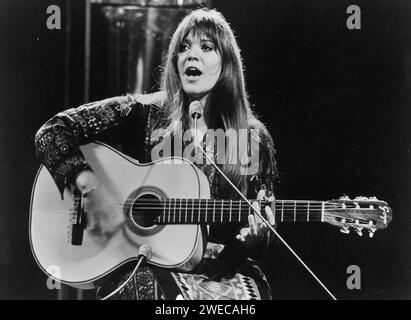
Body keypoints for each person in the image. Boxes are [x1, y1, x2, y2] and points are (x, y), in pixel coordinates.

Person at [34, 8, 278, 300]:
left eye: (207, 47)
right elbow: (52, 132)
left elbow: (258, 246)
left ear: (226, 62)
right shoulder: (143, 113)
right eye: (183, 48)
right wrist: (90, 188)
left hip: (224, 270)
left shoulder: (253, 138)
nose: (191, 55)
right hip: (148, 262)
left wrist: (255, 236)